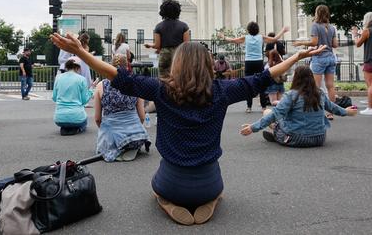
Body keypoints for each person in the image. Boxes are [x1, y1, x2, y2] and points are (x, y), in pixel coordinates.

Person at [51, 32, 325, 226]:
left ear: (177, 64)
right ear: (208, 64)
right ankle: (210, 202)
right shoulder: (223, 90)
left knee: (157, 187)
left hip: (171, 182)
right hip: (209, 182)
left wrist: (79, 52)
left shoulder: (161, 90)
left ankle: (168, 204)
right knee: (215, 189)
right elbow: (264, 77)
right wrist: (298, 57)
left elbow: (118, 77)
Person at [240, 66, 357, 146]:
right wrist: (347, 111)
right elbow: (332, 107)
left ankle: (278, 136)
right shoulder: (319, 93)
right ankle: (278, 135)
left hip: (296, 138)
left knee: (268, 113)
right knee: (280, 115)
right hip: (319, 138)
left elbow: (275, 114)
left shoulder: (292, 95)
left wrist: (253, 127)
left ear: (296, 79)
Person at [220, 22, 289, 113]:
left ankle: (249, 107)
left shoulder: (246, 37)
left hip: (249, 62)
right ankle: (263, 107)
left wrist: (223, 37)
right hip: (258, 62)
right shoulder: (261, 37)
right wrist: (283, 31)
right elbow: (274, 39)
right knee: (261, 83)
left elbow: (233, 40)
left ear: (248, 30)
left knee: (248, 84)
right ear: (257, 29)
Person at [95, 56, 150, 161]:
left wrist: (104, 130)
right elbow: (142, 117)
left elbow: (97, 119)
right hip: (136, 134)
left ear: (110, 66)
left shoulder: (100, 86)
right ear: (127, 66)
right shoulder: (135, 83)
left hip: (111, 132)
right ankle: (131, 145)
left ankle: (117, 147)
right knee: (135, 136)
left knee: (107, 142)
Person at [293, 5, 338, 119]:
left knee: (316, 87)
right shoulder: (332, 27)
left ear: (317, 13)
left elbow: (314, 42)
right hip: (331, 57)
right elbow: (335, 44)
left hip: (319, 57)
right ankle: (330, 113)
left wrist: (301, 43)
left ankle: (317, 112)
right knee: (330, 86)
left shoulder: (315, 26)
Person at [144, 0, 190, 78]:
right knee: (179, 78)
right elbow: (186, 45)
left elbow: (157, 45)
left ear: (163, 11)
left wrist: (149, 45)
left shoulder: (158, 26)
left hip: (165, 55)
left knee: (163, 79)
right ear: (177, 11)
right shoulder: (184, 26)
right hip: (179, 55)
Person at [52, 59, 96, 135]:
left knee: (65, 121)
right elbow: (84, 100)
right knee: (84, 122)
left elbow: (54, 97)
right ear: (77, 68)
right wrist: (91, 89)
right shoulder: (81, 79)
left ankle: (65, 127)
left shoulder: (58, 78)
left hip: (59, 118)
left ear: (66, 67)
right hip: (77, 116)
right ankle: (78, 128)